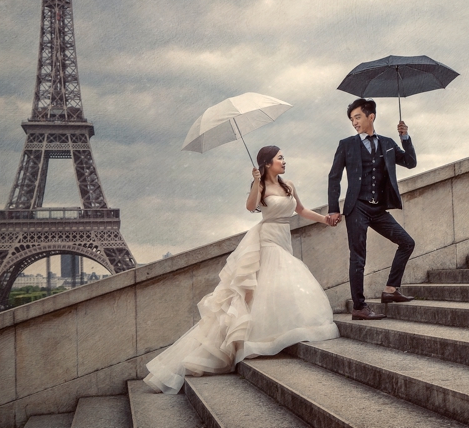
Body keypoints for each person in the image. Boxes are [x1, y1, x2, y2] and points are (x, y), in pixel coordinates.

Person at [144, 146, 340, 394]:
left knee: (275, 287)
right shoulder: (259, 186)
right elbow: (250, 208)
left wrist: (325, 219)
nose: (284, 161)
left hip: (283, 237)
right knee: (270, 283)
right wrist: (256, 183)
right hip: (267, 240)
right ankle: (261, 338)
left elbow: (300, 210)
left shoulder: (288, 184)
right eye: (280, 158)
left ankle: (276, 332)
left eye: (283, 157)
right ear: (267, 163)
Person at [327, 98, 417, 321]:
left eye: (357, 117)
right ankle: (359, 307)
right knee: (358, 257)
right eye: (351, 119)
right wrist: (333, 208)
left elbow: (410, 162)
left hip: (378, 208)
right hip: (357, 206)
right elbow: (334, 177)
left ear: (371, 117)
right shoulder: (346, 144)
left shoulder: (386, 143)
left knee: (407, 242)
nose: (354, 122)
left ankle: (390, 290)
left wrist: (404, 137)